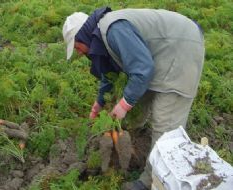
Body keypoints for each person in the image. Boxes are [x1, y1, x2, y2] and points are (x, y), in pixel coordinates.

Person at [63, 7, 204, 190]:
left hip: (181, 48)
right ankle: (135, 141)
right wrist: (99, 103)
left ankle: (152, 181)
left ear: (81, 36)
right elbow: (109, 73)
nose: (79, 52)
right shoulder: (102, 36)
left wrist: (124, 104)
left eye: (76, 46)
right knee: (137, 101)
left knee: (165, 124)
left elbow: (142, 69)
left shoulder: (114, 31)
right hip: (161, 52)